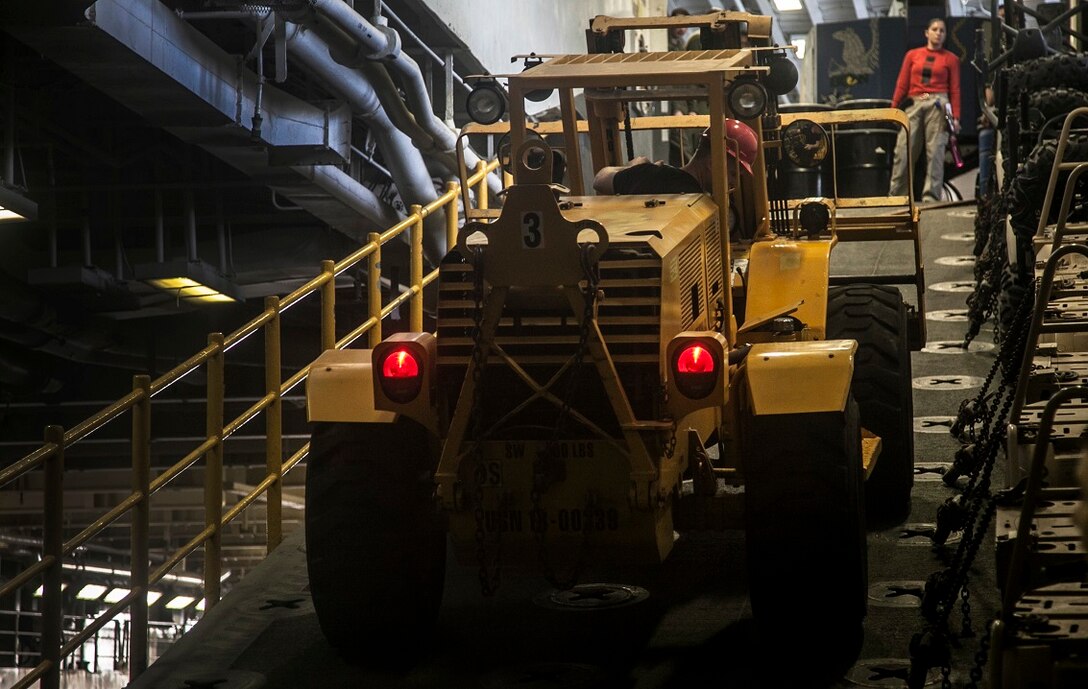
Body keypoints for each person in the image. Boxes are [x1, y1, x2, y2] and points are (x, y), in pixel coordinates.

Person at [888, 17, 961, 204]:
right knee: (903, 151)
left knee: (935, 152)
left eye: (942, 30)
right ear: (926, 33)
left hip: (938, 103)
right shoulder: (912, 55)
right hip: (914, 103)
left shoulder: (951, 59)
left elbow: (955, 89)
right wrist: (893, 108)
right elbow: (902, 83)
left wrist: (956, 117)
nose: (938, 33)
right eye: (935, 29)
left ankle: (931, 197)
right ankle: (898, 196)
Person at [593, 118, 758, 196]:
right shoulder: (701, 204)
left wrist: (635, 167)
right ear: (713, 162)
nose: (734, 183)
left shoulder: (649, 174)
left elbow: (600, 180)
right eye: (733, 174)